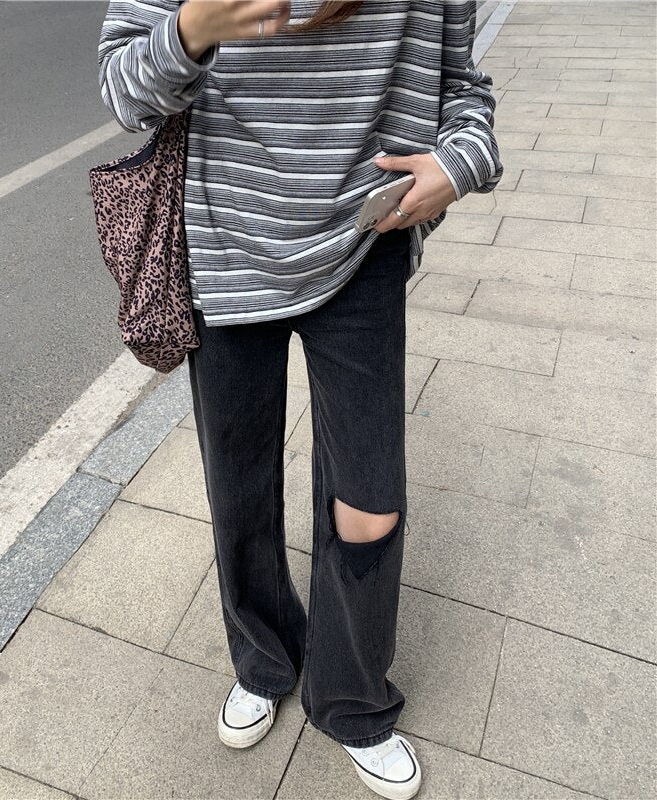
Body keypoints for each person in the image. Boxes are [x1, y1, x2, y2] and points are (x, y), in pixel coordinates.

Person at [98, 2, 502, 797]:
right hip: (223, 242)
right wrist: (190, 30)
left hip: (366, 243)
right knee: (238, 487)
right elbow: (122, 89)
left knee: (370, 503)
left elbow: (463, 88)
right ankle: (264, 659)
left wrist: (460, 163)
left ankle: (350, 698)